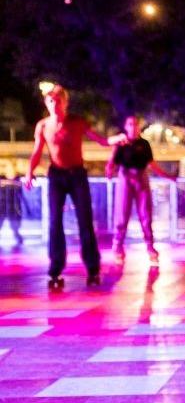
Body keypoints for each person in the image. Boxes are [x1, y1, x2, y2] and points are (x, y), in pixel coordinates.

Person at [24, 83, 128, 289]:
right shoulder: (43, 126)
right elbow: (37, 152)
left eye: (58, 100)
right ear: (47, 103)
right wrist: (29, 172)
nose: (54, 104)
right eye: (51, 101)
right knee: (55, 222)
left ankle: (92, 269)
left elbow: (101, 140)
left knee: (85, 222)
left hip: (77, 175)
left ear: (65, 102)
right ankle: (55, 269)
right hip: (56, 176)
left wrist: (115, 139)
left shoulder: (77, 122)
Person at [106, 115, 175, 267]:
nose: (133, 127)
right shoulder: (121, 144)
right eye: (130, 124)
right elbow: (112, 161)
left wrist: (168, 176)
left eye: (136, 124)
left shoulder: (144, 144)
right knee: (122, 216)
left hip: (141, 178)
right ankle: (118, 248)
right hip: (125, 178)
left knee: (146, 215)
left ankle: (150, 248)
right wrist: (109, 170)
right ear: (126, 126)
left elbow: (152, 164)